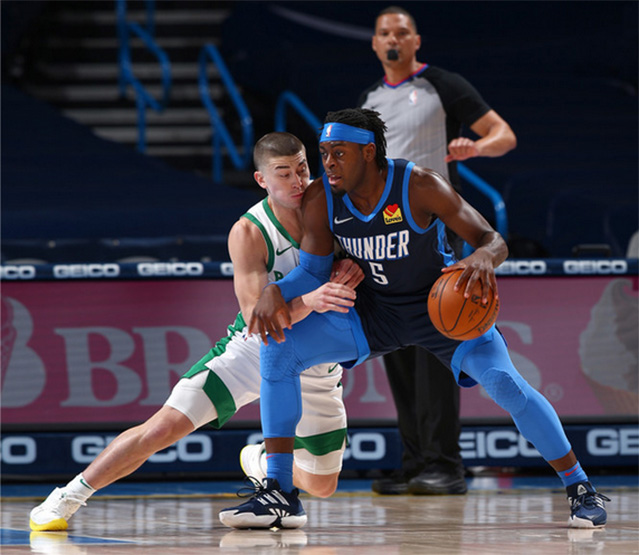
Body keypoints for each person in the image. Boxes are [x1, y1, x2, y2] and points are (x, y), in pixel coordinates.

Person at [219, 108, 609, 530]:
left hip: (440, 310)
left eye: (338, 153)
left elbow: (491, 239)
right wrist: (276, 290)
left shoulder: (419, 185)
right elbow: (313, 270)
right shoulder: (321, 197)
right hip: (372, 311)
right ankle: (279, 491)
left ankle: (580, 486)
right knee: (279, 348)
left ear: (368, 153)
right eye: (324, 153)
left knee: (505, 385)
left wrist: (482, 257)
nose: (327, 163)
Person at [29, 132, 364, 532]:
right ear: (262, 180)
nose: (297, 181)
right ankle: (67, 496)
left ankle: (258, 460)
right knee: (162, 428)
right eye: (284, 173)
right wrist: (312, 299)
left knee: (323, 486)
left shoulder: (336, 209)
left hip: (316, 363)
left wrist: (356, 269)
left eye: (302, 169)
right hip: (255, 351)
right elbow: (258, 318)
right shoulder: (250, 231)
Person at [357, 5, 517, 496]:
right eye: (385, 32)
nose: (393, 39)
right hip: (385, 238)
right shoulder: (367, 101)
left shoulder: (442, 85)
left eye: (401, 32)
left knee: (438, 348)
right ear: (374, 43)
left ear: (416, 41)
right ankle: (413, 463)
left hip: (433, 230)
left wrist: (475, 148)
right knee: (398, 352)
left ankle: (445, 465)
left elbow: (504, 135)